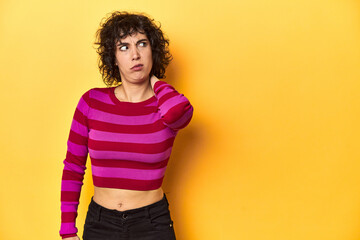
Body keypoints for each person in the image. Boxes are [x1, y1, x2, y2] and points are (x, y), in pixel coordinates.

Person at [59, 11, 193, 240]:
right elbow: (73, 167)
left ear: (153, 51)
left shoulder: (166, 106)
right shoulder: (91, 102)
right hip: (100, 223)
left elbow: (178, 113)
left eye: (142, 44)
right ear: (113, 58)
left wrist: (155, 81)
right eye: (124, 47)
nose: (135, 55)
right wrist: (67, 230)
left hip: (152, 224)